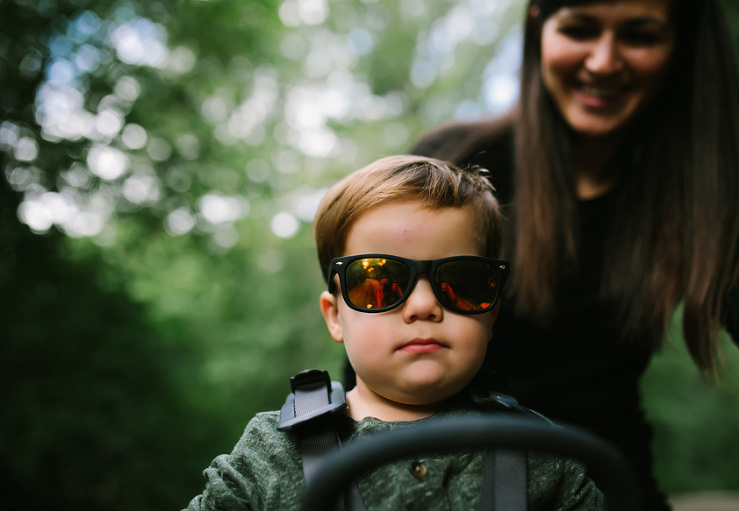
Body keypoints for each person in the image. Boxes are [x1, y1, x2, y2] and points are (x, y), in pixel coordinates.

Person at [405, 0, 739, 510]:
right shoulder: (455, 165)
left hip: (610, 492)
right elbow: (375, 337)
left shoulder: (700, 194)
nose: (602, 61)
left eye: (640, 35)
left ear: (679, 47)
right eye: (579, 29)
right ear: (538, 26)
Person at [184, 155, 604, 510]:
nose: (423, 306)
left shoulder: (543, 455)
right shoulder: (272, 453)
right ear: (334, 316)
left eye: (461, 282)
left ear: (491, 316)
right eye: (378, 283)